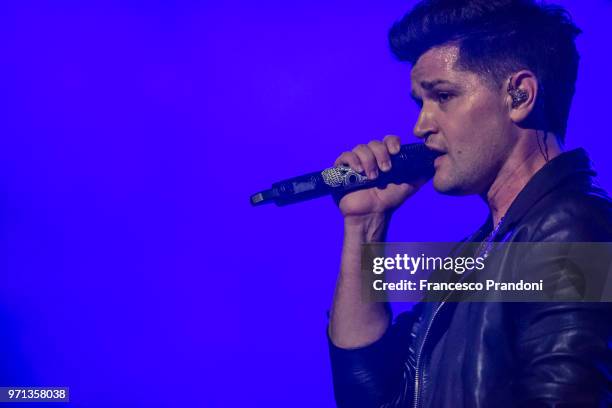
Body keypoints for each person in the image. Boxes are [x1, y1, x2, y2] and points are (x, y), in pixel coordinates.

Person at [326, 0, 612, 406]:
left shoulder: (572, 229)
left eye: (443, 95)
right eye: (420, 102)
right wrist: (365, 225)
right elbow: (371, 399)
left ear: (520, 95)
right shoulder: (479, 252)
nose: (421, 125)